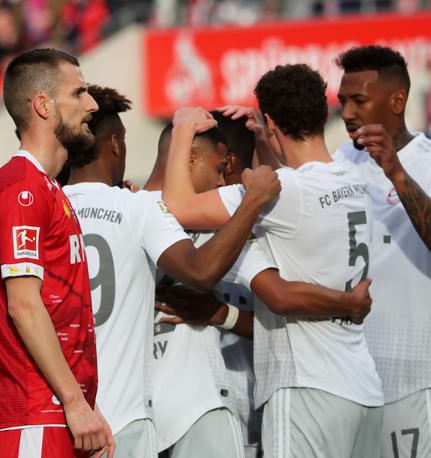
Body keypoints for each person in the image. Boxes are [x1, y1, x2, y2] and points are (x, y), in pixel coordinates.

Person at [163, 64, 385, 457]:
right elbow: (301, 202)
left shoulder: (282, 195)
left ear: (269, 120)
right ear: (323, 112)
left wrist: (181, 129)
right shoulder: (354, 180)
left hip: (306, 389)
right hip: (363, 388)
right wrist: (266, 144)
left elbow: (177, 207)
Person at [63, 86, 281, 457]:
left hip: (105, 407)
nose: (222, 179)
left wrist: (224, 315)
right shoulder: (144, 211)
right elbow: (271, 294)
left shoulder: (65, 209)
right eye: (218, 168)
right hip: (162, 409)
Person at [0, 48, 114, 458]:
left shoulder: (47, 188)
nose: (91, 105)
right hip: (32, 413)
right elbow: (23, 305)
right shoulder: (22, 188)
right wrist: (73, 401)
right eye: (79, 93)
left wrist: (85, 402)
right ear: (42, 105)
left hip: (54, 410)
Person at [335, 45, 431, 457]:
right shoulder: (340, 163)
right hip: (356, 381)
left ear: (397, 100)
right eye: (342, 101)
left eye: (359, 100)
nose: (348, 112)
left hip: (420, 377)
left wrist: (394, 171)